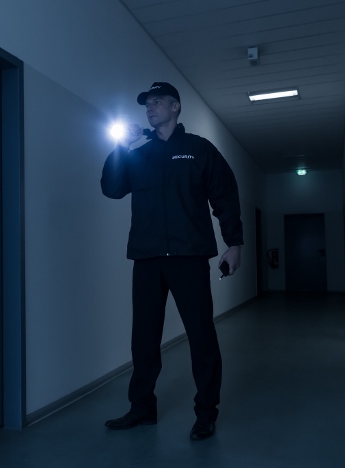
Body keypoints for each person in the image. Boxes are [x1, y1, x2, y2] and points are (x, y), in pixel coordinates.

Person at [101, 82, 243, 440]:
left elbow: (225, 194)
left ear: (176, 107)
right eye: (147, 104)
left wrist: (234, 242)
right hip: (147, 259)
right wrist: (121, 145)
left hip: (188, 256)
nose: (150, 108)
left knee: (201, 337)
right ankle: (142, 408)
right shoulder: (139, 153)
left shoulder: (198, 150)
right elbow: (111, 187)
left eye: (158, 102)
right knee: (143, 339)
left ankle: (206, 413)